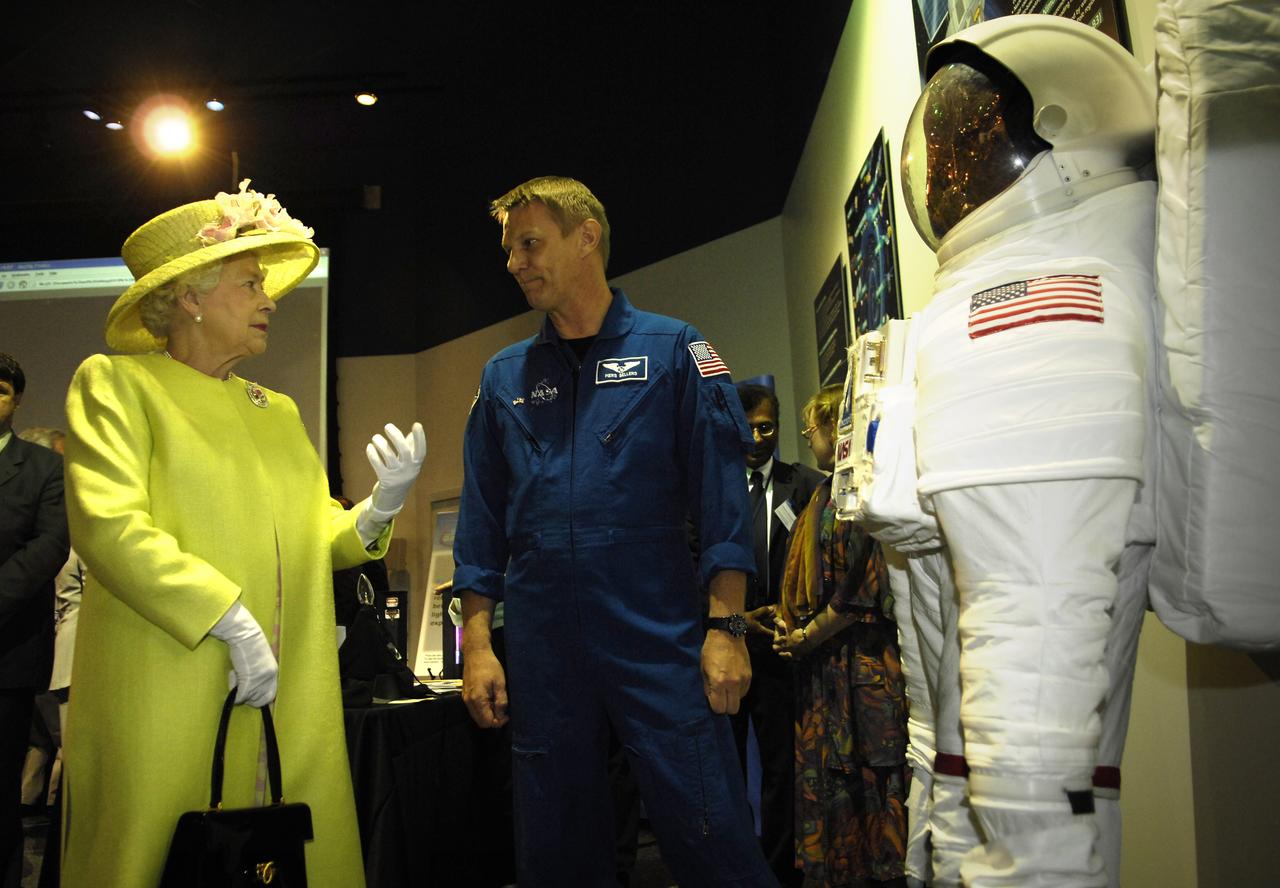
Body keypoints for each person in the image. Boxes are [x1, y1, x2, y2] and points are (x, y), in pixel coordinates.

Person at [60, 180, 427, 887]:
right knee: (162, 854)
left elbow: (316, 532)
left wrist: (379, 508)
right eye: (251, 282)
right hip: (169, 677)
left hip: (289, 690)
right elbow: (109, 524)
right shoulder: (116, 386)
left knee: (287, 854)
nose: (270, 299)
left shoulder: (275, 409)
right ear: (191, 296)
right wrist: (226, 616)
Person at [454, 175, 774, 886]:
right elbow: (480, 526)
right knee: (555, 842)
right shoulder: (504, 376)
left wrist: (727, 629)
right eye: (510, 251)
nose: (516, 263)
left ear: (586, 237)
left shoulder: (674, 352)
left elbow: (724, 501)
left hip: (654, 634)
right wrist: (476, 645)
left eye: (530, 244)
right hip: (543, 649)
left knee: (709, 824)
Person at [897, 16, 1158, 886]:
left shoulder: (1043, 307)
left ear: (1061, 129)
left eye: (968, 142)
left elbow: (1026, 707)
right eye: (940, 149)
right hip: (969, 786)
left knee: (1038, 802)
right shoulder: (1016, 289)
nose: (944, 172)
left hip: (1021, 818)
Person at [773, 384, 908, 888]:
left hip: (861, 668)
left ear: (837, 426)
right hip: (826, 672)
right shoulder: (825, 494)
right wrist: (784, 621)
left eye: (814, 427)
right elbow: (813, 583)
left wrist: (807, 635)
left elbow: (860, 590)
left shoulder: (862, 494)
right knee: (834, 784)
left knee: (869, 781)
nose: (809, 438)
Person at [730, 381, 824, 887]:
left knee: (781, 768)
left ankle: (780, 872)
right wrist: (740, 619)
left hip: (783, 647)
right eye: (747, 428)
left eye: (766, 427)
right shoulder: (715, 488)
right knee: (723, 765)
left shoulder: (806, 485)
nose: (757, 437)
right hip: (728, 641)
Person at [0, 355, 70, 888]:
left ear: (17, 400)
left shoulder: (43, 466)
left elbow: (48, 548)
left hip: (10, 646)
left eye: (0, 390)